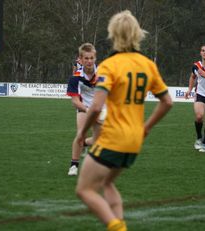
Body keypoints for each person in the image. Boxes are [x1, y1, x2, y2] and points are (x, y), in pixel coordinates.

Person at [74, 10, 173, 231]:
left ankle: (117, 227)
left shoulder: (110, 65)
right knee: (107, 183)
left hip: (112, 138)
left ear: (113, 34)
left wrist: (82, 133)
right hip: (134, 140)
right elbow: (167, 102)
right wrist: (146, 128)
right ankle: (120, 225)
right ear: (137, 34)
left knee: (84, 190)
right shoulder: (148, 64)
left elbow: (97, 106)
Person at [66, 43, 104, 176]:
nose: (89, 61)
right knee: (80, 135)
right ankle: (74, 165)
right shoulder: (75, 78)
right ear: (81, 60)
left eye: (91, 58)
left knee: (98, 141)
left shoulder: (103, 73)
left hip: (100, 107)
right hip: (84, 108)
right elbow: (75, 102)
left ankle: (86, 145)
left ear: (95, 59)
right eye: (86, 58)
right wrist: (90, 111)